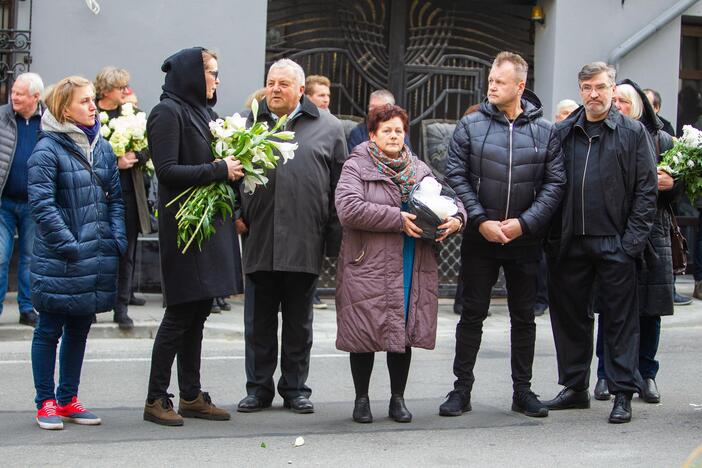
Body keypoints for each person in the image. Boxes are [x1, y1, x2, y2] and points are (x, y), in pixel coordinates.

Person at [441, 51, 565, 419]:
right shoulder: (471, 125)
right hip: (481, 238)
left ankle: (522, 392)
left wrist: (524, 223)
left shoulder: (545, 131)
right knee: (472, 315)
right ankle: (460, 390)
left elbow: (555, 184)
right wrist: (481, 221)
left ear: (520, 86)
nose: (491, 86)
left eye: (499, 82)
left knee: (524, 318)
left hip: (525, 241)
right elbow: (455, 175)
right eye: (491, 80)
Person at [335, 104, 465, 423]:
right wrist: (396, 218)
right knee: (364, 332)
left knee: (402, 332)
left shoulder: (418, 168)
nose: (394, 136)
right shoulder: (357, 165)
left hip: (410, 260)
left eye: (399, 130)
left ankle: (397, 399)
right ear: (372, 135)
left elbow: (451, 198)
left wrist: (458, 218)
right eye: (387, 130)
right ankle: (362, 400)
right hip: (369, 263)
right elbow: (347, 208)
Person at [544, 62, 658, 424]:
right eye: (587, 87)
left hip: (615, 242)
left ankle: (622, 392)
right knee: (571, 319)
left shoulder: (632, 132)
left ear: (613, 89)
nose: (594, 94)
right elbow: (549, 184)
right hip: (569, 242)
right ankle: (575, 387)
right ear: (580, 90)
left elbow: (646, 191)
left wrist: (631, 244)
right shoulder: (561, 132)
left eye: (601, 87)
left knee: (620, 322)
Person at [236, 58, 347, 414]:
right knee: (258, 322)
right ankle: (258, 389)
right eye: (271, 82)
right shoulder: (247, 123)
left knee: (299, 322)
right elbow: (227, 175)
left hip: (304, 239)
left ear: (301, 90)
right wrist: (237, 215)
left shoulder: (329, 127)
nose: (275, 89)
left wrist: (333, 240)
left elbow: (339, 187)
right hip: (260, 236)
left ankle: (296, 388)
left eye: (284, 84)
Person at [143, 47, 243, 426]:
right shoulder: (166, 112)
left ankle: (191, 395)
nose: (217, 80)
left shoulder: (204, 112)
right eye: (212, 73)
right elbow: (167, 171)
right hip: (184, 228)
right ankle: (156, 398)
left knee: (198, 311)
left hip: (206, 226)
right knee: (180, 312)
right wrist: (219, 169)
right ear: (191, 75)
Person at [28, 75, 127, 430]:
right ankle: (46, 402)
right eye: (84, 101)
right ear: (64, 107)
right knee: (49, 328)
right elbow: (41, 204)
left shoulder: (101, 146)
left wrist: (116, 237)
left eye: (91, 100)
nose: (92, 106)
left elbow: (115, 198)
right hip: (62, 257)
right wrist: (69, 243)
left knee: (80, 328)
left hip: (96, 254)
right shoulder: (47, 149)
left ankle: (68, 398)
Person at [592, 80, 679, 404]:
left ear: (638, 105)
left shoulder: (662, 140)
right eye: (613, 100)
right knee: (610, 308)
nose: (616, 106)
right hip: (614, 232)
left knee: (649, 310)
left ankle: (646, 374)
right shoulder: (605, 134)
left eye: (622, 101)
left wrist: (671, 184)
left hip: (653, 236)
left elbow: (680, 198)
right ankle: (605, 374)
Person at [95, 67, 152, 330]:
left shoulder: (135, 116)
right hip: (96, 194)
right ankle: (94, 305)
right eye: (121, 88)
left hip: (128, 194)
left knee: (126, 252)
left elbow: (149, 149)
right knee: (95, 251)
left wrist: (134, 157)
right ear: (106, 90)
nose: (126, 92)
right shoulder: (92, 115)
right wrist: (112, 161)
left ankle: (121, 308)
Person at [0, 73, 44, 327]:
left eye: (19, 93)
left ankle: (27, 309)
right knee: (1, 257)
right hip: (3, 202)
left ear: (35, 97)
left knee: (31, 257)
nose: (13, 97)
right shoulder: (2, 116)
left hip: (33, 203)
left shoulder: (48, 121)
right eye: (13, 92)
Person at [531, 98, 581, 318]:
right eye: (565, 113)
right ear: (557, 116)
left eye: (573, 112)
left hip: (569, 213)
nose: (569, 116)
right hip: (544, 210)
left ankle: (549, 298)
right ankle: (540, 299)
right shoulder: (549, 135)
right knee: (541, 260)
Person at [304, 74, 333, 309]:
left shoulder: (331, 124)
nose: (326, 100)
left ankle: (312, 293)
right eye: (321, 95)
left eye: (328, 96)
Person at [346, 89, 411, 153]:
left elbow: (410, 157)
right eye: (371, 108)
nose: (393, 136)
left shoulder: (400, 134)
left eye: (379, 109)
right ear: (372, 136)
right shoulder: (358, 132)